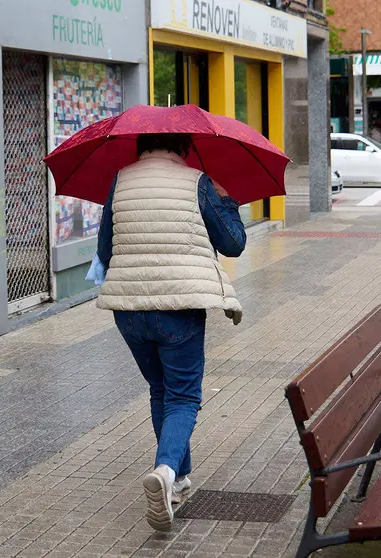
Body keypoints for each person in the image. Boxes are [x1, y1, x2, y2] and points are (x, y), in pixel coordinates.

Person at [96, 133, 246, 531]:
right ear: (183, 148)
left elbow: (106, 249)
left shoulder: (120, 180)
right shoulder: (196, 181)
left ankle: (177, 479)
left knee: (161, 390)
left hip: (128, 310)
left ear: (140, 146)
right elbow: (233, 244)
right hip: (179, 308)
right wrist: (226, 201)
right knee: (183, 396)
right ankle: (164, 472)